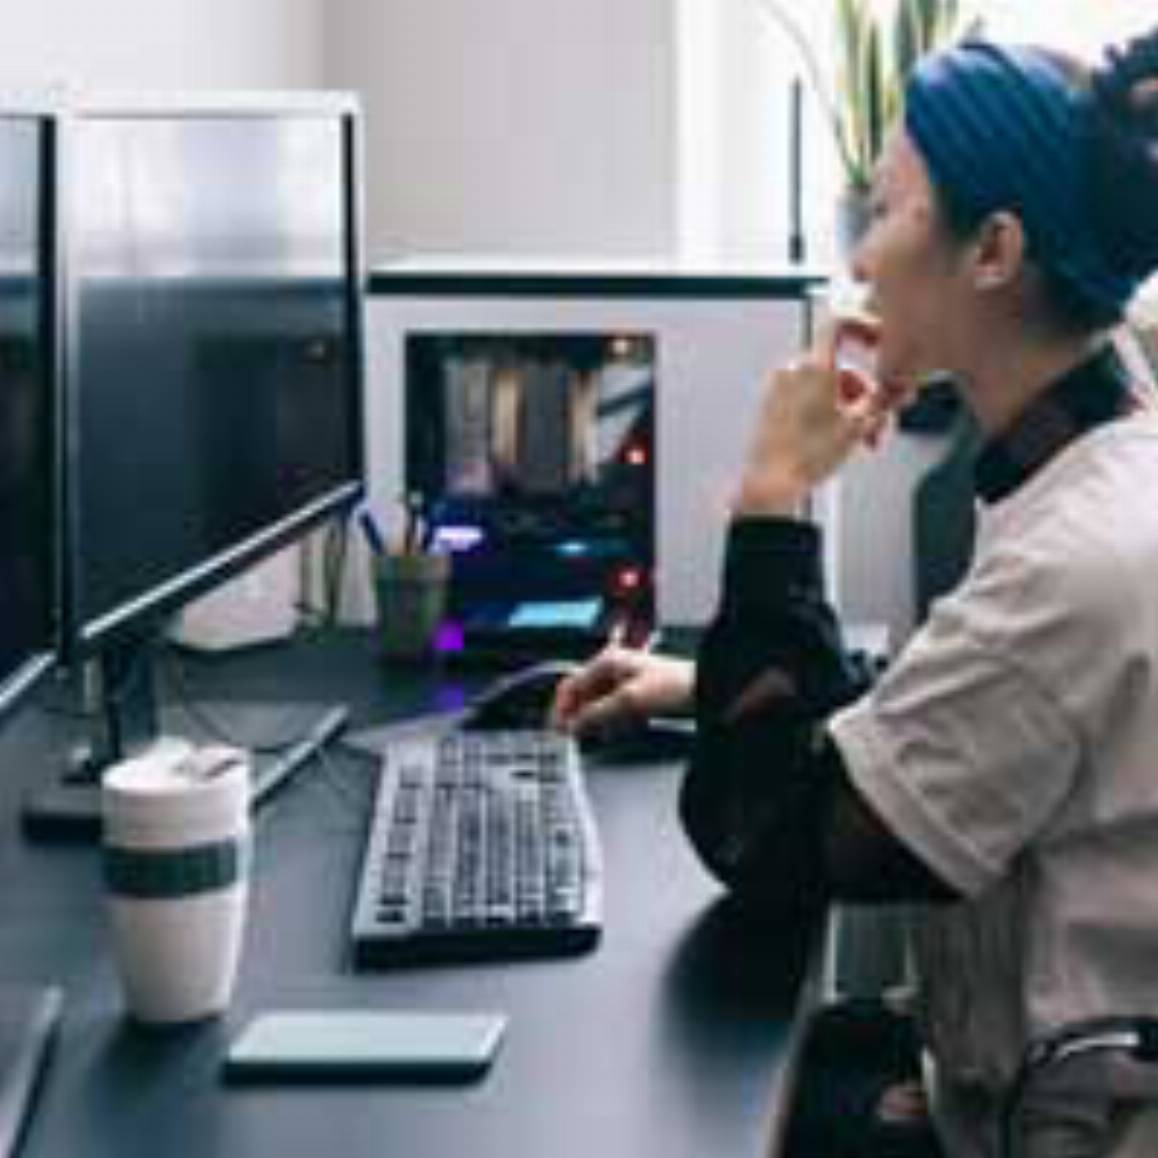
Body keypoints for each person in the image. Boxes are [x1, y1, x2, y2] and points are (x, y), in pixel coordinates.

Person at [552, 28, 1158, 1158]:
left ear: (994, 251)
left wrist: (774, 494)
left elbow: (761, 834)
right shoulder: (1107, 461)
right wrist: (701, 683)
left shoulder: (1075, 559)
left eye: (884, 214)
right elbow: (993, 708)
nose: (864, 261)